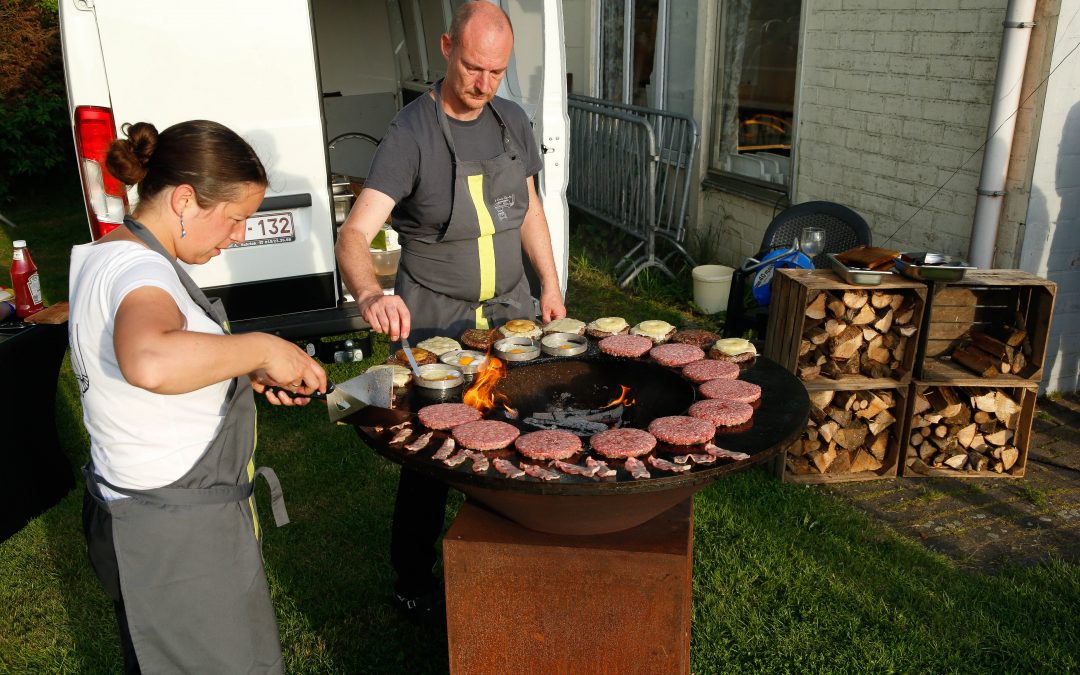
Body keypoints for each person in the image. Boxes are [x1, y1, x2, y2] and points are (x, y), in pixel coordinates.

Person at [335, 1, 566, 621]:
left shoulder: (513, 121)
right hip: (437, 321)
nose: (483, 84)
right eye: (472, 67)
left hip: (513, 314)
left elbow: (532, 211)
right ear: (445, 47)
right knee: (433, 452)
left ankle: (512, 560)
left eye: (496, 71)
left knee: (520, 430)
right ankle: (413, 577)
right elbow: (354, 236)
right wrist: (370, 294)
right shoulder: (409, 135)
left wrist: (549, 283)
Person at [70, 119, 327, 673]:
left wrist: (235, 374)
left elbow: (154, 371)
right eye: (235, 219)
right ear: (185, 200)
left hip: (147, 519)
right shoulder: (139, 269)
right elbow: (150, 359)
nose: (238, 236)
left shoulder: (110, 253)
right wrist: (259, 348)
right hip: (177, 541)